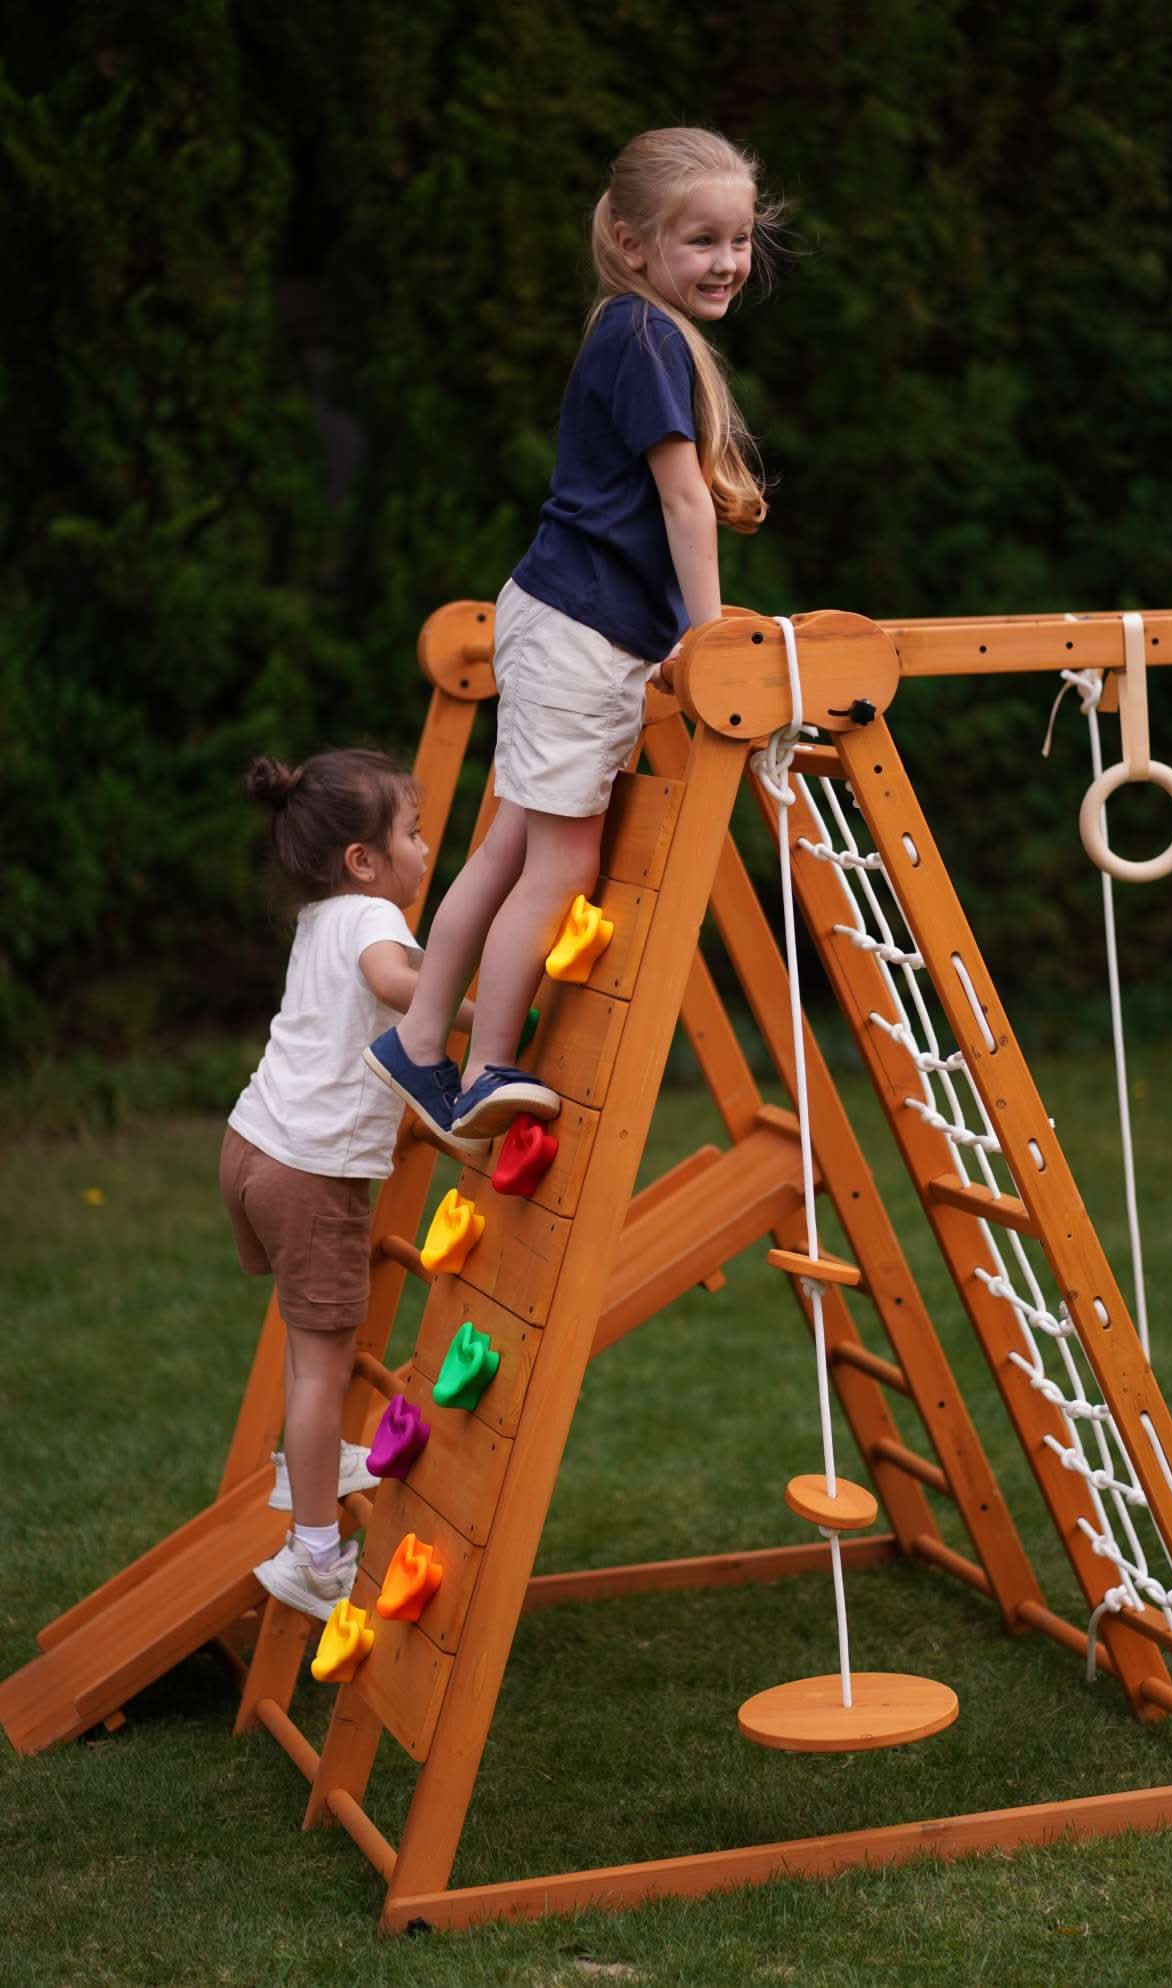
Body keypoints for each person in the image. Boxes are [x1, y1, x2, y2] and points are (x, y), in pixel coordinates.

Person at [366, 126, 773, 1148]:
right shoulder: (642, 337)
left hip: (564, 622)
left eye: (739, 238)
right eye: (702, 242)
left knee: (509, 845)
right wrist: (708, 631)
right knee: (561, 862)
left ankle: (420, 1039)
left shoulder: (642, 333)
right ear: (635, 245)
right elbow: (682, 500)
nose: (727, 260)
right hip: (582, 632)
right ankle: (484, 1064)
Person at [221, 748, 477, 1619]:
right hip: (311, 1171)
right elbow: (396, 984)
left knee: (309, 1349)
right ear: (363, 860)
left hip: (252, 1147)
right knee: (325, 1366)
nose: (426, 845)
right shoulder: (374, 917)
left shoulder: (321, 915)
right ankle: (315, 1558)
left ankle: (310, 1465)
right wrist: (480, 1009)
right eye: (411, 832)